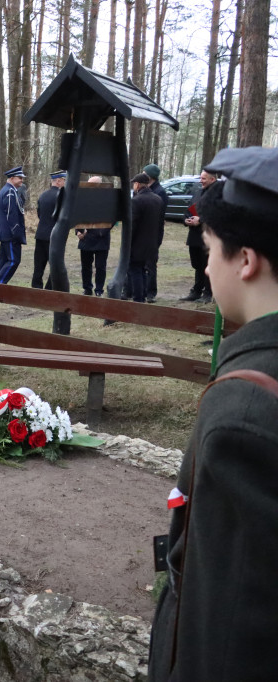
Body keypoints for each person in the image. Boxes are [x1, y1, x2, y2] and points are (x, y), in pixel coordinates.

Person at [148, 146, 278, 682]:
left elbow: (231, 617)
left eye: (209, 250)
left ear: (245, 260)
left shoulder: (243, 413)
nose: (205, 265)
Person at [180, 169, 218, 303]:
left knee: (207, 265)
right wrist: (186, 220)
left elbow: (218, 215)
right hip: (194, 236)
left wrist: (200, 220)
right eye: (200, 178)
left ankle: (208, 293)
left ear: (212, 179)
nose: (201, 181)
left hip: (209, 237)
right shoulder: (198, 192)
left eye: (203, 178)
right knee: (197, 264)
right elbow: (188, 210)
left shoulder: (219, 194)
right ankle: (196, 291)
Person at [127, 173, 163, 304]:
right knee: (143, 270)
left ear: (137, 184)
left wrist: (128, 244)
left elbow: (132, 226)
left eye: (134, 184)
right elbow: (160, 224)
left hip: (137, 244)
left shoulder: (136, 201)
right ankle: (142, 296)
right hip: (152, 243)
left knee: (136, 270)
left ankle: (138, 299)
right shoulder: (158, 199)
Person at [75, 175, 111, 297]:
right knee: (86, 266)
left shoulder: (107, 200)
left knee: (100, 266)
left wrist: (100, 232)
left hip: (101, 238)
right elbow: (77, 215)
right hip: (86, 238)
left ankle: (99, 290)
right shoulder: (83, 198)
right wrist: (78, 231)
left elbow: (111, 218)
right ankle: (87, 288)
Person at [0, 166, 27, 284]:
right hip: (10, 233)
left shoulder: (7, 190)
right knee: (13, 260)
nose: (22, 180)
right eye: (19, 178)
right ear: (12, 178)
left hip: (6, 232)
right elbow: (11, 214)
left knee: (4, 260)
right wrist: (16, 232)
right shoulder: (10, 192)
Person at [32, 171, 65, 289]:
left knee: (38, 265)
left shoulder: (43, 195)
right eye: (64, 180)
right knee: (55, 265)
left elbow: (39, 214)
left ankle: (36, 288)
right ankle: (49, 288)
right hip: (54, 236)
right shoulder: (62, 196)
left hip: (41, 234)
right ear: (59, 181)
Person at [143, 164, 168, 303]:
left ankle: (151, 293)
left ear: (150, 176)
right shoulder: (146, 189)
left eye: (144, 173)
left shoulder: (160, 192)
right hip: (144, 232)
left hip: (153, 233)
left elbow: (158, 216)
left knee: (150, 263)